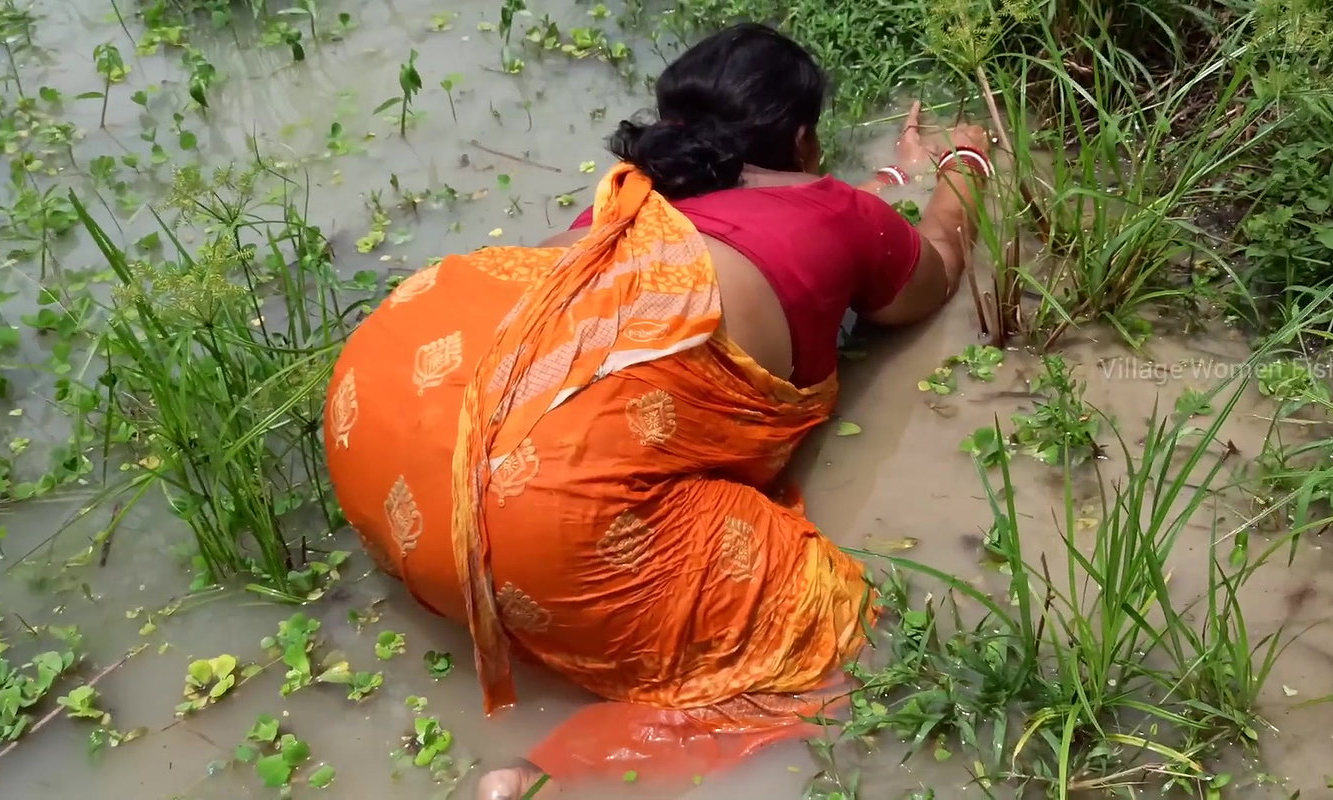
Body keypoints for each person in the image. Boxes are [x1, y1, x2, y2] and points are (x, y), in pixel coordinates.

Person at [322, 22, 990, 800]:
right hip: (540, 524)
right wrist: (965, 165)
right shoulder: (834, 210)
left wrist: (887, 186)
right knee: (840, 642)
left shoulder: (619, 206)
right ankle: (546, 778)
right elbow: (934, 271)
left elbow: (777, 228)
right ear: (804, 140)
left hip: (386, 429)